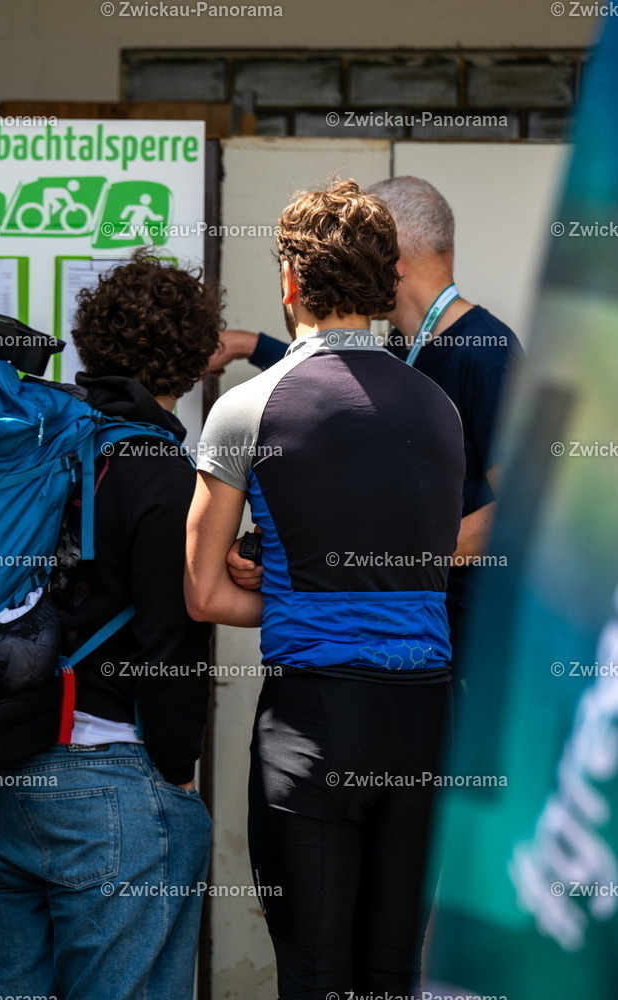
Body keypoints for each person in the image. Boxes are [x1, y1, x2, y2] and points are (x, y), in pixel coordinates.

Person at [185, 179, 465, 999]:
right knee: (391, 980)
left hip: (315, 724)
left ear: (292, 285)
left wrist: (296, 594)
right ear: (385, 285)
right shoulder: (440, 407)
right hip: (423, 722)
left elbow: (203, 595)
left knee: (314, 979)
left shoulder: (248, 407)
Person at [0, 254, 222, 1000]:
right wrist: (176, 776)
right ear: (194, 358)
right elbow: (171, 649)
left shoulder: (33, 447)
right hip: (110, 786)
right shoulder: (164, 474)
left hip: (3, 778)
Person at [214, 176, 522, 666]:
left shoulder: (486, 354)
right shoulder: (401, 349)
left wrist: (390, 563)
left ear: (390, 249)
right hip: (390, 639)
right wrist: (252, 346)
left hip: (459, 647)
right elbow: (329, 388)